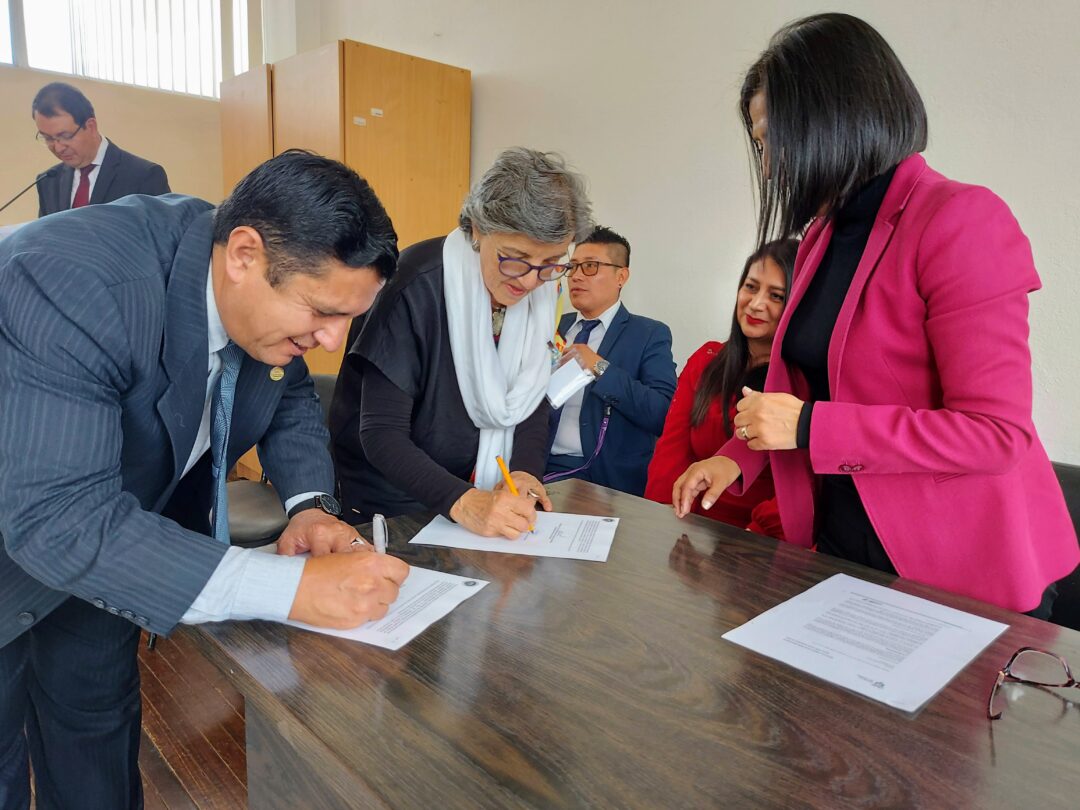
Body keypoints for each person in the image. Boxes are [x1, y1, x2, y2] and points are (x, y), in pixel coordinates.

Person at [0, 150, 410, 807]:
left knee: (95, 740)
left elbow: (290, 396)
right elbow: (56, 520)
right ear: (244, 255)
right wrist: (286, 588)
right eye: (322, 312)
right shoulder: (74, 279)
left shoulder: (256, 301)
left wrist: (308, 506)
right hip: (26, 522)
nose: (335, 340)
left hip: (118, 537)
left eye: (349, 318)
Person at [673, 13, 1079, 616]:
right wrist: (736, 458)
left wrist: (812, 427)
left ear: (832, 119)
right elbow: (807, 385)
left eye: (771, 140)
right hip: (846, 543)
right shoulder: (821, 235)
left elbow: (995, 435)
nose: (765, 165)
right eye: (760, 144)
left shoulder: (960, 219)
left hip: (955, 569)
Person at [330, 147, 593, 538]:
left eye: (553, 263)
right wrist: (465, 502)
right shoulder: (414, 286)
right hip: (392, 499)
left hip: (474, 490)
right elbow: (381, 434)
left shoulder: (538, 293)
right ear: (476, 229)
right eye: (514, 258)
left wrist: (522, 472)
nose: (529, 281)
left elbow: (530, 397)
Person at [646, 239, 797, 536]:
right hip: (688, 527)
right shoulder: (707, 359)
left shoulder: (803, 381)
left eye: (776, 296)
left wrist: (750, 543)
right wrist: (659, 524)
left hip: (759, 544)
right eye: (751, 287)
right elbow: (670, 452)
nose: (755, 304)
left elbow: (795, 492)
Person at [545, 226, 676, 495]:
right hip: (539, 468)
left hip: (605, 479)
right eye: (573, 266)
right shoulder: (552, 326)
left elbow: (662, 414)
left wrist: (600, 368)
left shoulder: (649, 334)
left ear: (621, 276)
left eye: (590, 267)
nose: (577, 276)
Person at [32, 81, 170, 217]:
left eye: (66, 136)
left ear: (91, 126)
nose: (58, 147)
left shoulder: (144, 176)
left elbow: (165, 235)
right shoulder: (48, 181)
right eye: (48, 138)